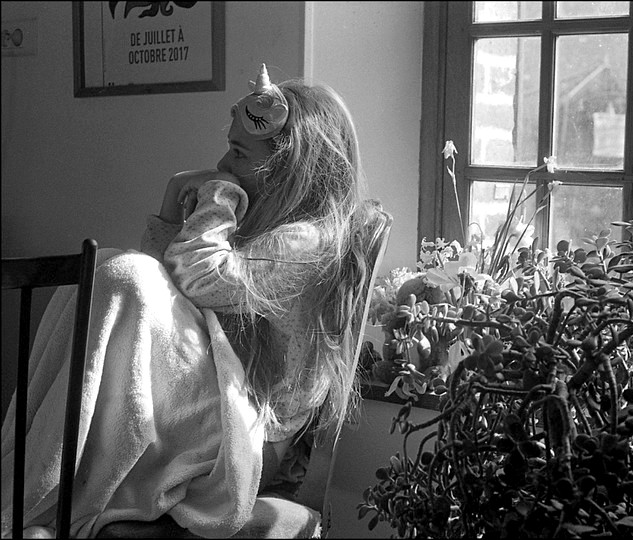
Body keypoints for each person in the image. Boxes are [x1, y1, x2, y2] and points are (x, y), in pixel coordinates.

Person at [1, 64, 391, 538]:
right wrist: (173, 197)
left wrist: (219, 194)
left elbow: (195, 277)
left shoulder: (308, 242)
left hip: (245, 435)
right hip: (217, 404)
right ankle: (52, 483)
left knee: (128, 275)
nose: (223, 163)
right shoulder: (264, 226)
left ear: (286, 169)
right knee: (113, 270)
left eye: (238, 152)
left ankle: (50, 496)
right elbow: (159, 294)